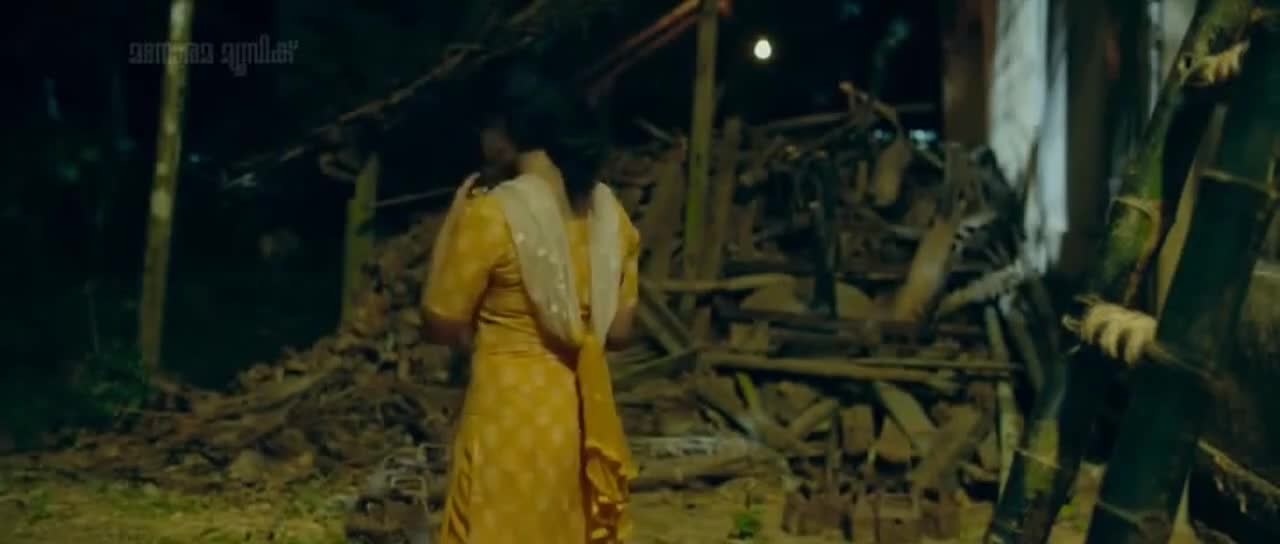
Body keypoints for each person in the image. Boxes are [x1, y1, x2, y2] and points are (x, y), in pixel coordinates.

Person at [421, 59, 640, 543]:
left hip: (507, 421)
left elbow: (441, 321)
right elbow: (621, 331)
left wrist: (452, 222)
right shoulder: (610, 217)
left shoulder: (493, 215)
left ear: (507, 130)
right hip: (580, 422)